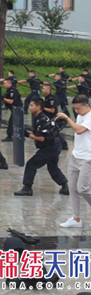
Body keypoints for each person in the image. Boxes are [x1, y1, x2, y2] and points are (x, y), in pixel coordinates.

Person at [14, 98, 69, 197]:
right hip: (54, 146)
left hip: (50, 148)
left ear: (38, 107)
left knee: (31, 164)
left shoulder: (42, 119)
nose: (30, 107)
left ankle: (27, 188)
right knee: (53, 167)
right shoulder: (38, 118)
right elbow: (36, 133)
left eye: (32, 105)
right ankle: (65, 186)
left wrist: (27, 134)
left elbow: (42, 138)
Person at [56, 95, 91, 228]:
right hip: (76, 157)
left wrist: (66, 118)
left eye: (78, 108)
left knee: (82, 188)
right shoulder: (80, 115)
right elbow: (78, 134)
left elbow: (79, 130)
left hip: (88, 159)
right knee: (73, 188)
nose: (76, 111)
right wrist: (75, 147)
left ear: (86, 105)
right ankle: (76, 219)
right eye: (74, 108)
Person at [42, 84, 68, 150]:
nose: (43, 90)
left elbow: (52, 110)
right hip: (48, 118)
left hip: (53, 118)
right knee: (51, 132)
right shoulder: (47, 97)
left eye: (44, 89)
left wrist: (43, 108)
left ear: (48, 90)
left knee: (54, 132)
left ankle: (63, 143)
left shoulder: (51, 98)